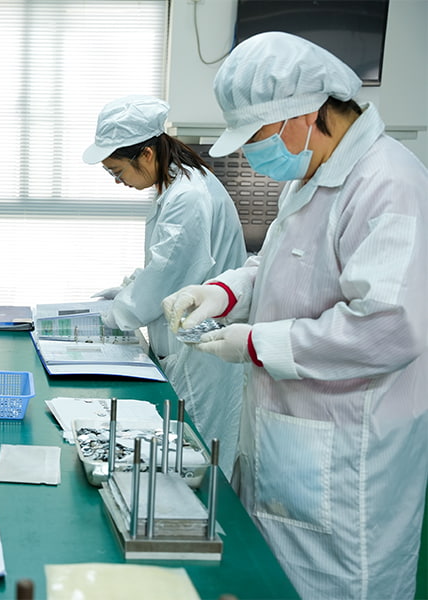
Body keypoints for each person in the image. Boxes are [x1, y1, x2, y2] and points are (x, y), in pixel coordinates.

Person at [161, 32, 428, 600]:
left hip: (348, 456)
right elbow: (278, 266)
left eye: (257, 137)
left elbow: (388, 326)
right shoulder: (313, 173)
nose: (253, 154)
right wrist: (222, 292)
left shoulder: (389, 183)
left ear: (304, 114)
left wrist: (255, 344)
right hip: (289, 441)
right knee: (272, 579)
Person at [83, 95, 247, 478]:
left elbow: (167, 276)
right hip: (188, 342)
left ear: (146, 154)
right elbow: (167, 264)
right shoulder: (179, 185)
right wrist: (127, 290)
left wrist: (117, 313)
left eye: (117, 171)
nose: (118, 181)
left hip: (201, 355)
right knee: (183, 458)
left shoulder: (188, 197)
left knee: (196, 461)